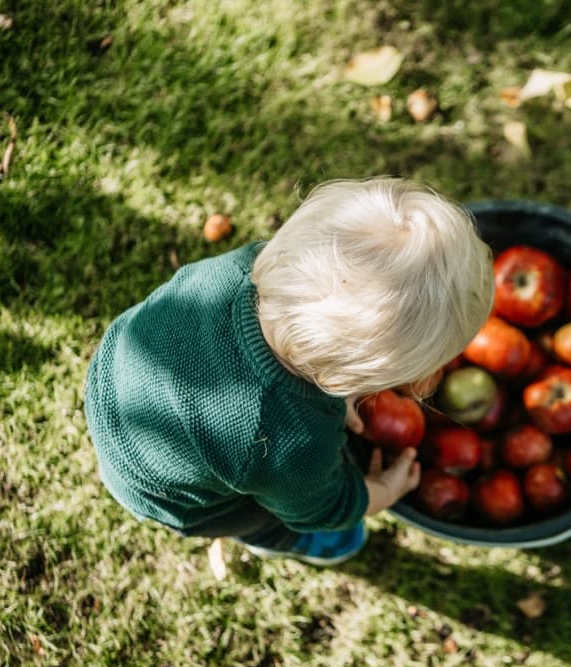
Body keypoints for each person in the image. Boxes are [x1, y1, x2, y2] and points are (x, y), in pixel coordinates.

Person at [84, 177, 494, 566]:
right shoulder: (289, 439)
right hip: (170, 493)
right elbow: (323, 506)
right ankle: (277, 543)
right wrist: (382, 491)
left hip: (113, 380)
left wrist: (340, 386)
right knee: (271, 518)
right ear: (359, 379)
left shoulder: (239, 268)